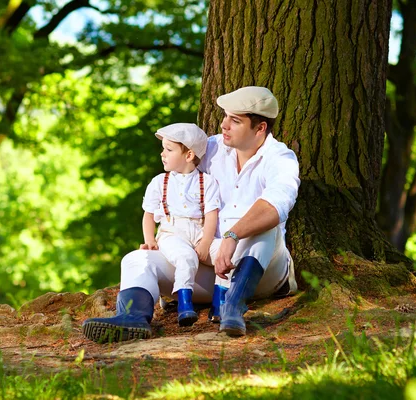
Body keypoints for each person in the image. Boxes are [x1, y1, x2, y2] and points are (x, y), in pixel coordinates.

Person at [82, 86, 300, 342]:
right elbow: (177, 170)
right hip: (205, 266)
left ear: (260, 128)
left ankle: (233, 308)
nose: (224, 125)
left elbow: (275, 206)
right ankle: (132, 318)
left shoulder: (280, 159)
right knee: (136, 259)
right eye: (225, 116)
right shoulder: (212, 149)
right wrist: (166, 235)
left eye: (235, 120)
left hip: (261, 272)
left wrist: (232, 235)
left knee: (267, 227)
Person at [140, 123, 221, 327]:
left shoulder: (207, 182)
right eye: (163, 149)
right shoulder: (160, 182)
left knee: (225, 253)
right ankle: (185, 304)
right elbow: (148, 215)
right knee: (186, 257)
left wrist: (206, 242)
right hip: (172, 232)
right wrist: (150, 240)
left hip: (201, 232)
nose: (162, 154)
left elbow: (212, 216)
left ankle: (221, 301)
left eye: (169, 149)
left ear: (188, 155)